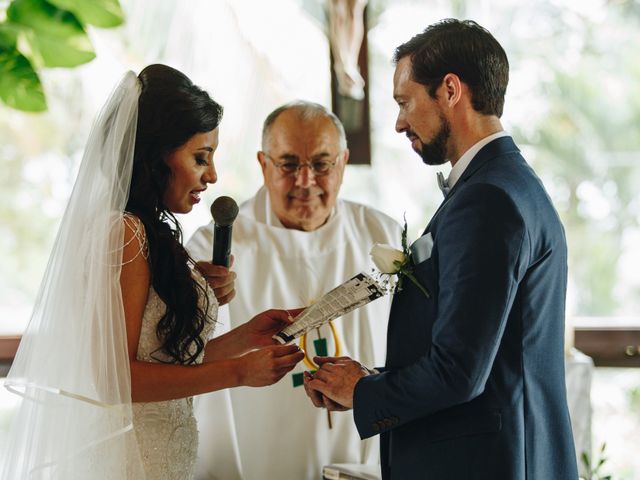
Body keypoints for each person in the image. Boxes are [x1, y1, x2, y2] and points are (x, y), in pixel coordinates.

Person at [303, 19, 579, 479]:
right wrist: (366, 381)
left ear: (450, 90)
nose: (398, 122)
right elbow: (484, 354)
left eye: (404, 101)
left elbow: (459, 372)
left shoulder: (488, 199)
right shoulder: (508, 185)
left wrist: (364, 393)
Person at [1, 64, 304, 480]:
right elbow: (116, 380)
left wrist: (244, 339)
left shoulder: (150, 233)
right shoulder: (123, 233)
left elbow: (163, 363)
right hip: (131, 461)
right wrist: (238, 373)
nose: (211, 176)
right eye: (201, 157)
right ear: (158, 154)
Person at [186, 100, 402, 479]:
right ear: (263, 163)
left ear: (344, 162)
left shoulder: (382, 236)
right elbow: (180, 358)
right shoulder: (214, 250)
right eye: (288, 164)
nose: (305, 181)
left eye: (321, 164)